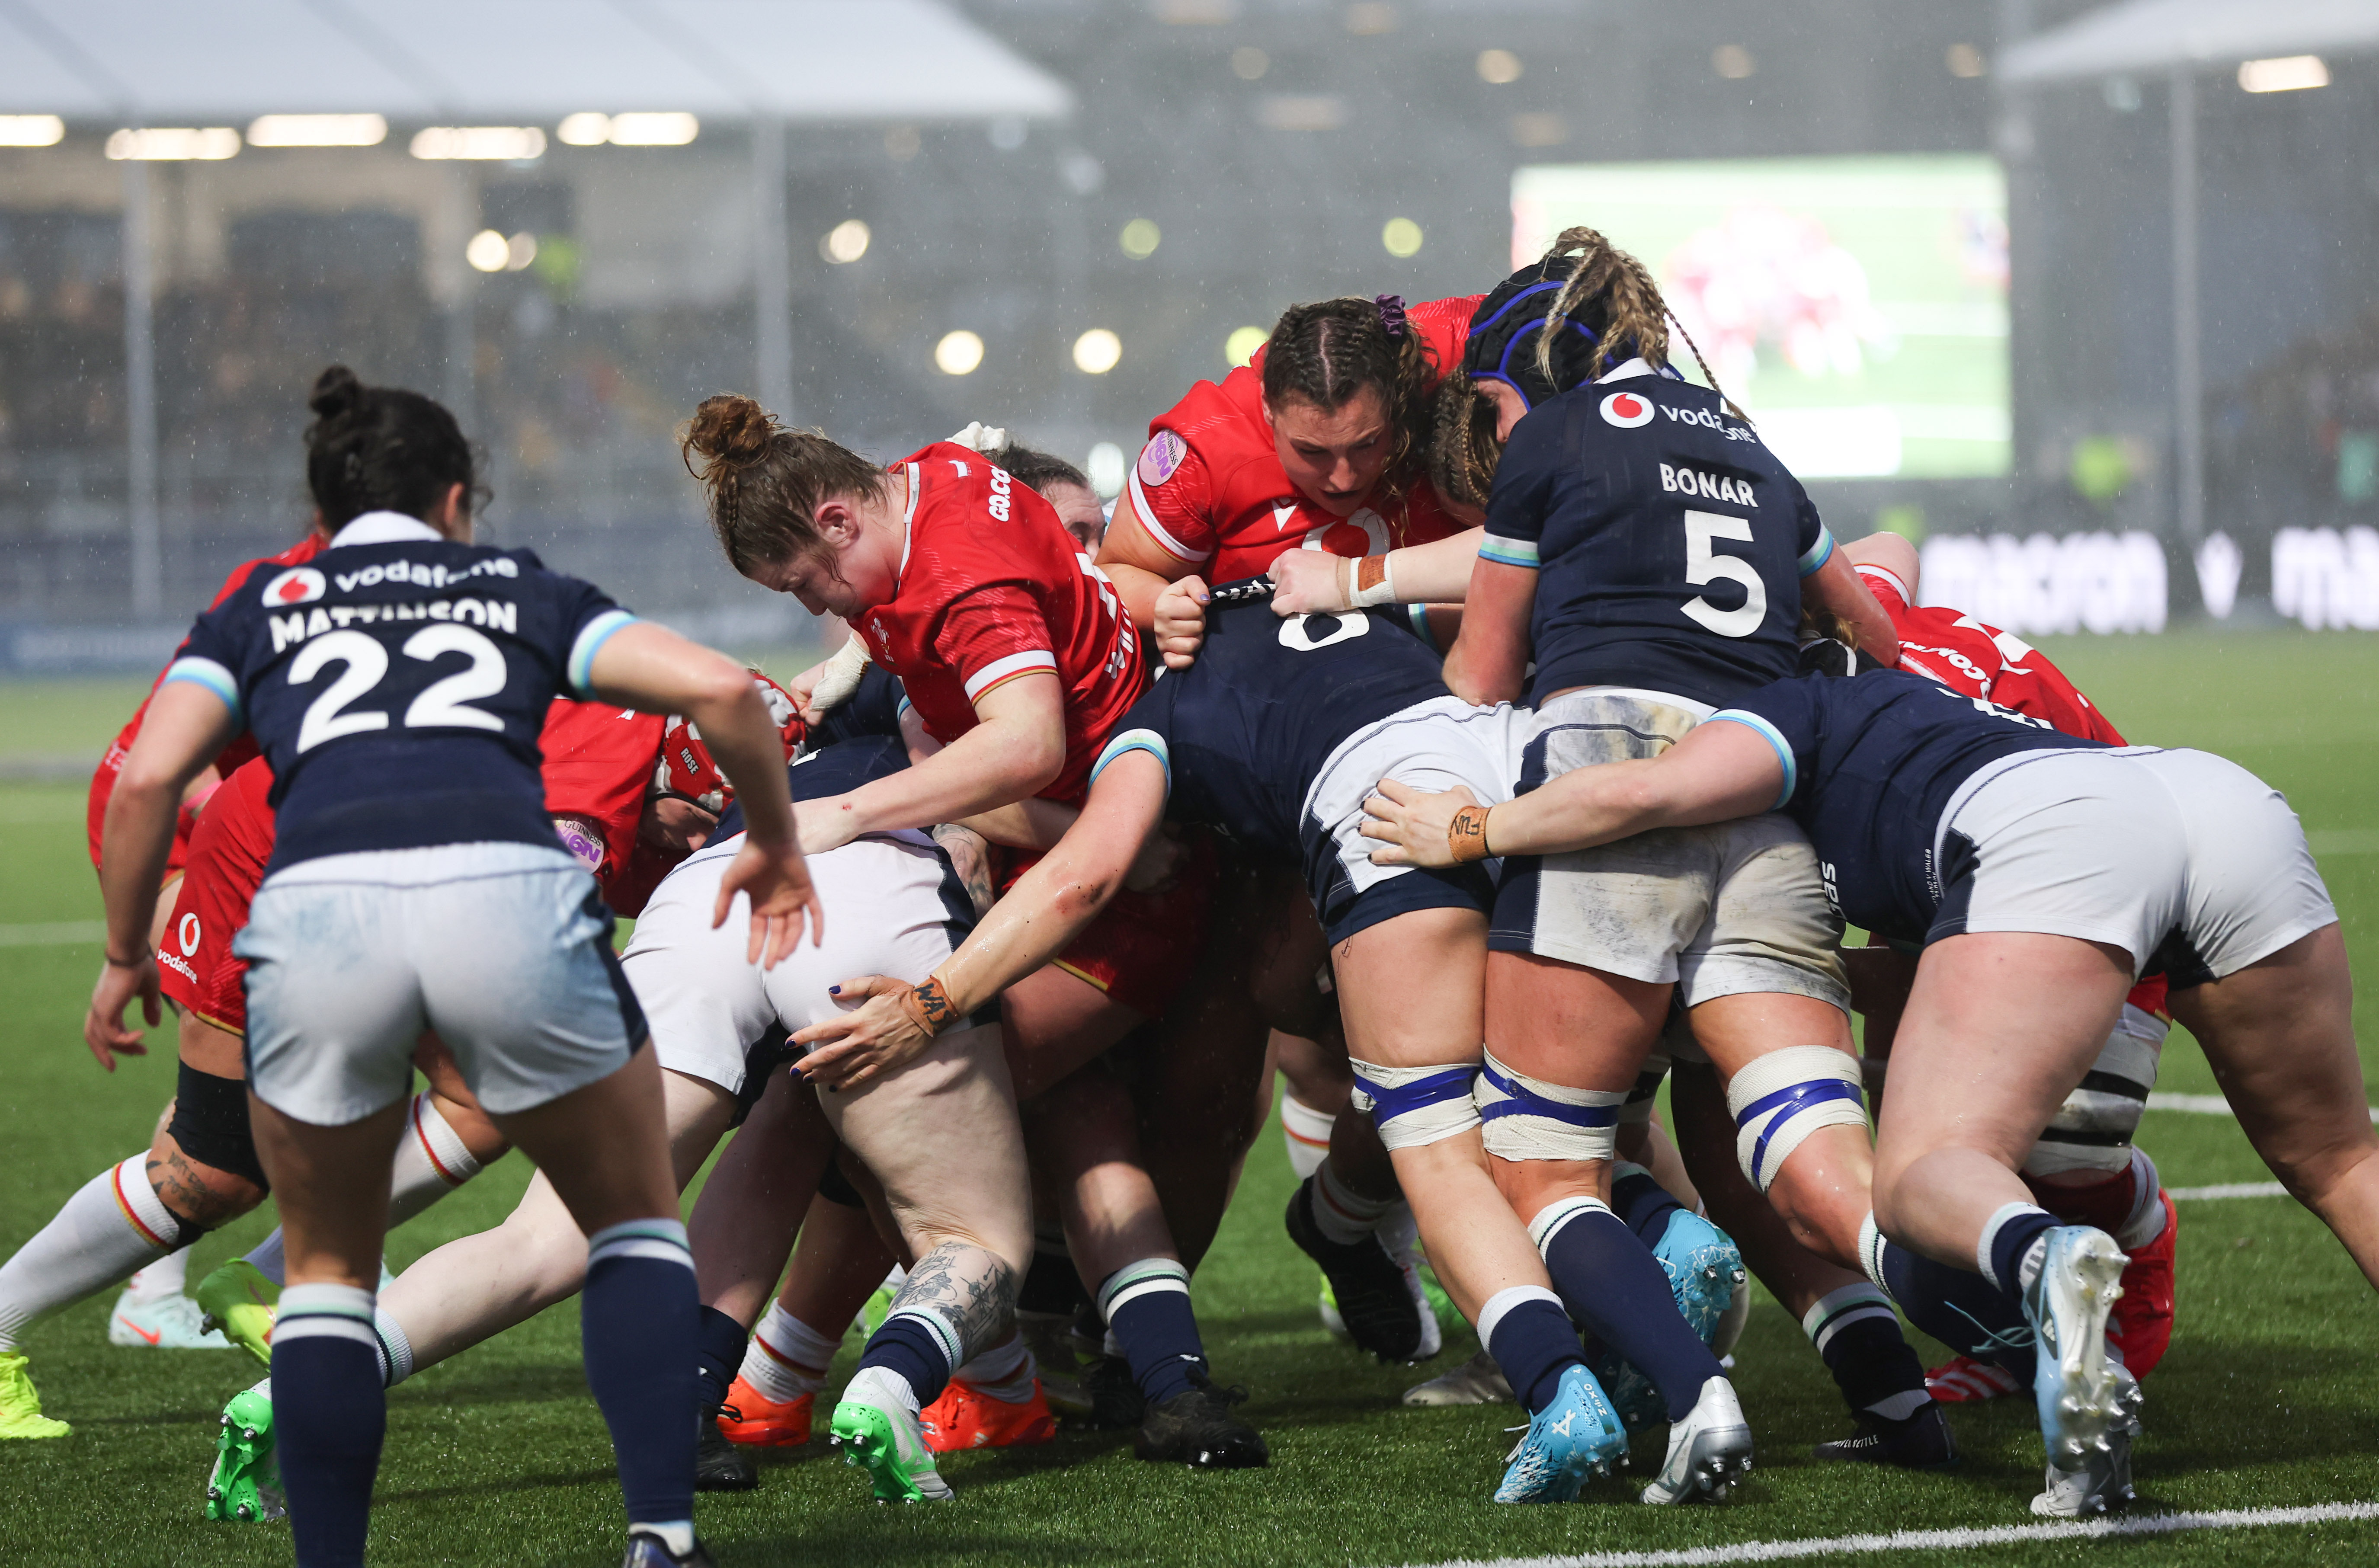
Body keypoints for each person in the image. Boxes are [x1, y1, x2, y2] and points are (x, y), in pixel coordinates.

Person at [82, 365, 820, 1568]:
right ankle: (660, 1541)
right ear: (458, 498)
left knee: (323, 1276)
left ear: (324, 511)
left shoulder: (265, 599)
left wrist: (124, 954)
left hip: (320, 924)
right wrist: (777, 843)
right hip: (508, 903)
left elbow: (155, 779)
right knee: (632, 1226)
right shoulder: (512, 585)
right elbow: (723, 690)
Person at [800, 586, 1758, 1507]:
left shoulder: (1152, 698)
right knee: (1546, 1133)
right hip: (1534, 780)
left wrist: (931, 1002)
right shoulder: (1332, 595)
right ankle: (1671, 1277)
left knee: (1435, 1143)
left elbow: (1087, 875)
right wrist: (1363, 577)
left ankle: (1558, 1389)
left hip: (1381, 819)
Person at [1358, 659, 2379, 1516]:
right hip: (2213, 803)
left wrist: (1470, 829)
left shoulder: (1791, 707)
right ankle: (2050, 1380)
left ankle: (2045, 1257)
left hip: (2057, 842)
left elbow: (1647, 793)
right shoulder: (1923, 702)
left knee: (1927, 1172)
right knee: (2335, 1156)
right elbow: (1920, 967)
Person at [677, 399, 1261, 1470]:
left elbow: (1029, 746)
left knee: (846, 1095)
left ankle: (762, 1382)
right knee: (1067, 1114)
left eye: (808, 582)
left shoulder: (960, 579)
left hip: (1117, 879)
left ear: (841, 516)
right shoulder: (928, 477)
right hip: (1089, 847)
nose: (819, 606)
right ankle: (1166, 1385)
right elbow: (993, 710)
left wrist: (859, 817)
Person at [1837, 534, 2177, 1411]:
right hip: (1947, 855)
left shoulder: (1851, 682)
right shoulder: (1852, 622)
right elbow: (1886, 547)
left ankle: (2135, 1220)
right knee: (1910, 1124)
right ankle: (2016, 1323)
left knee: (2064, 1134)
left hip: (2083, 858)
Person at [1097, 293, 1477, 669]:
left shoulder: (1467, 350)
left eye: (1367, 443)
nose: (1343, 478)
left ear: (1398, 399)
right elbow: (1115, 574)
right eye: (1312, 452)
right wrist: (1162, 606)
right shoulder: (1204, 451)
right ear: (1268, 407)